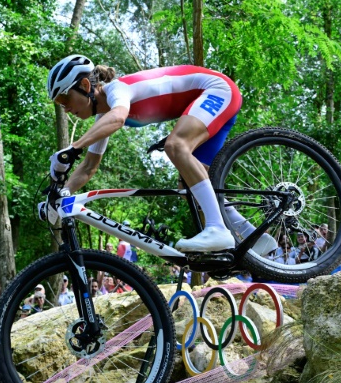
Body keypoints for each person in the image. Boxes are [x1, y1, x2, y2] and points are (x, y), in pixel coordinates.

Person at [46, 56, 276, 254]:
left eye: (64, 99)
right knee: (190, 185)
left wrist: (73, 148)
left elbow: (117, 119)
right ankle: (256, 238)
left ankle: (217, 229)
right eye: (58, 103)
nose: (64, 108)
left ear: (85, 85)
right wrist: (57, 196)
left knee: (176, 146)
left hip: (217, 90)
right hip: (208, 99)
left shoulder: (117, 90)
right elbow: (88, 167)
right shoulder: (104, 116)